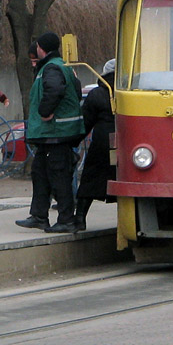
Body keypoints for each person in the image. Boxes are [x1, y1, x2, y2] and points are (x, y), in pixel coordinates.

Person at [15, 32, 86, 233]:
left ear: (41, 48)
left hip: (56, 132)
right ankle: (39, 216)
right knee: (40, 173)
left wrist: (46, 112)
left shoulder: (52, 68)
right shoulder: (61, 66)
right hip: (53, 135)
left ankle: (66, 219)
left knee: (58, 176)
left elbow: (54, 90)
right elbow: (77, 91)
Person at [74, 59, 116, 230]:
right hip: (130, 142)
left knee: (91, 179)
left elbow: (85, 122)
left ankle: (80, 219)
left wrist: (73, 142)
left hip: (102, 142)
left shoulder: (97, 94)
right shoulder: (132, 91)